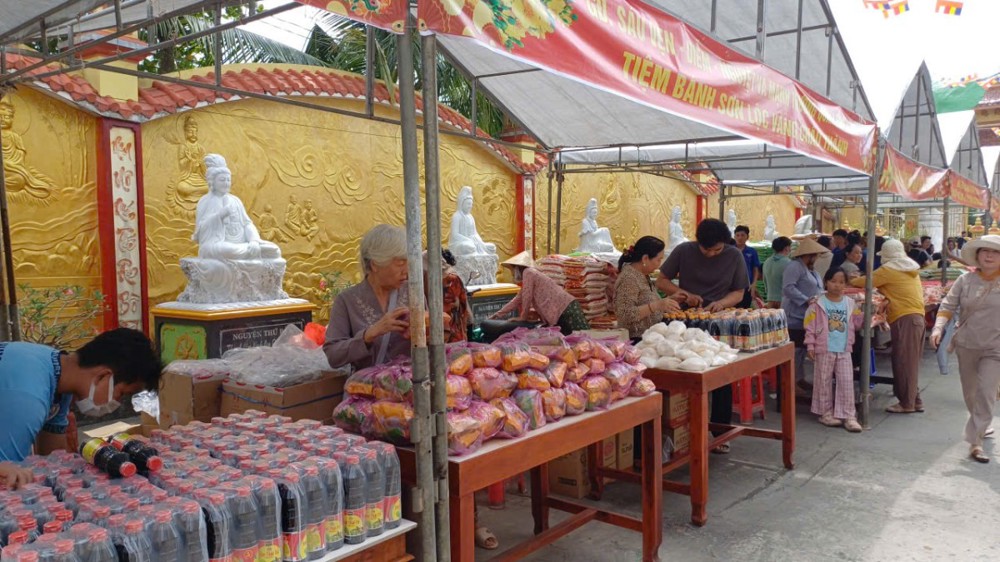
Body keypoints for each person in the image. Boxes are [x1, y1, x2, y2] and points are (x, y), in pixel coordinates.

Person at [0, 328, 162, 473]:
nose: (117, 402)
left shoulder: (58, 376)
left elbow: (52, 459)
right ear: (104, 376)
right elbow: (7, 477)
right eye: (121, 394)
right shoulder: (28, 397)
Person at [657, 218, 748, 454]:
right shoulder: (684, 250)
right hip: (684, 323)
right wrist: (683, 293)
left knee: (721, 378)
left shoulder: (734, 255)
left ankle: (720, 431)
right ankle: (681, 431)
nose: (710, 254)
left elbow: (739, 292)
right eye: (705, 249)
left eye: (716, 250)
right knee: (682, 373)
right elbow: (662, 280)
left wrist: (721, 303)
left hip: (718, 323)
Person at [931, 235, 1000, 463]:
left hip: (995, 348)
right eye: (985, 251)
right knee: (970, 392)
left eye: (995, 252)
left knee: (986, 392)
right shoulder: (965, 280)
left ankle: (975, 442)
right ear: (977, 255)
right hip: (967, 344)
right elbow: (948, 305)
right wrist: (938, 328)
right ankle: (979, 424)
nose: (989, 255)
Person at [851, 239, 926, 414]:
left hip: (905, 318)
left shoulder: (889, 269)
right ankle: (915, 400)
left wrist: (851, 278)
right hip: (916, 317)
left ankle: (907, 403)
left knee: (903, 362)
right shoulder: (910, 268)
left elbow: (864, 282)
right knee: (910, 362)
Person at [324, 224, 413, 370]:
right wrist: (369, 335)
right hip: (365, 383)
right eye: (400, 263)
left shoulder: (413, 293)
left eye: (409, 263)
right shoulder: (347, 301)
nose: (406, 270)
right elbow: (333, 355)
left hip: (408, 382)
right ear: (375, 265)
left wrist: (428, 330)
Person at [804, 268, 864, 433]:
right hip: (824, 348)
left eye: (841, 282)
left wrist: (865, 312)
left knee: (846, 381)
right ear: (826, 282)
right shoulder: (817, 304)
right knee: (823, 381)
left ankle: (848, 415)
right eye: (833, 281)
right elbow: (809, 326)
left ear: (846, 284)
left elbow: (857, 324)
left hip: (844, 349)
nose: (837, 285)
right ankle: (825, 412)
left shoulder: (850, 304)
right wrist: (810, 345)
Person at [193, 154, 281, 261]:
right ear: (212, 182)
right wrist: (219, 216)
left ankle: (249, 250)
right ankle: (247, 252)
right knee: (226, 250)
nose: (226, 183)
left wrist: (253, 240)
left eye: (228, 180)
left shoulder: (235, 200)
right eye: (222, 180)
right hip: (216, 245)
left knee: (275, 250)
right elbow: (200, 232)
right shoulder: (206, 201)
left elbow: (247, 224)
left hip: (240, 243)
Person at [782, 238, 829, 398]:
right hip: (794, 315)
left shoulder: (811, 270)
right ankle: (791, 383)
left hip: (807, 316)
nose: (816, 258)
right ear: (808, 255)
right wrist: (805, 299)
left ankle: (799, 378)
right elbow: (788, 288)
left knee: (802, 350)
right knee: (795, 351)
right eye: (815, 256)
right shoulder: (794, 267)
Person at [613, 236, 681, 341]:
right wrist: (657, 305)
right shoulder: (629, 278)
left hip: (650, 338)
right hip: (635, 340)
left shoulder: (643, 275)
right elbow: (625, 314)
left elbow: (647, 301)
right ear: (645, 258)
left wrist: (670, 300)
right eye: (658, 260)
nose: (659, 265)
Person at [491, 267, 590, 335]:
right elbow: (517, 299)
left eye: (512, 270)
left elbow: (527, 296)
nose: (513, 273)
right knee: (572, 343)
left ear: (517, 268)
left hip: (565, 309)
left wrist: (523, 317)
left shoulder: (528, 272)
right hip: (564, 309)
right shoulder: (530, 276)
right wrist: (498, 314)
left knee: (579, 343)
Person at [425, 249, 471, 344]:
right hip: (444, 333)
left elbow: (462, 306)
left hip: (448, 332)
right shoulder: (452, 278)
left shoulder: (452, 279)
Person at [733, 225, 761, 307]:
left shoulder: (752, 252)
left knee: (745, 310)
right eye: (737, 235)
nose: (740, 238)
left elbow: (755, 269)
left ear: (747, 237)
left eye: (742, 235)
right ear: (734, 237)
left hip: (747, 287)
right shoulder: (730, 251)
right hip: (732, 287)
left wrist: (754, 284)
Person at [762, 236, 792, 307]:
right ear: (786, 248)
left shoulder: (766, 262)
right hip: (784, 301)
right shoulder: (789, 263)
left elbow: (765, 282)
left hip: (770, 300)